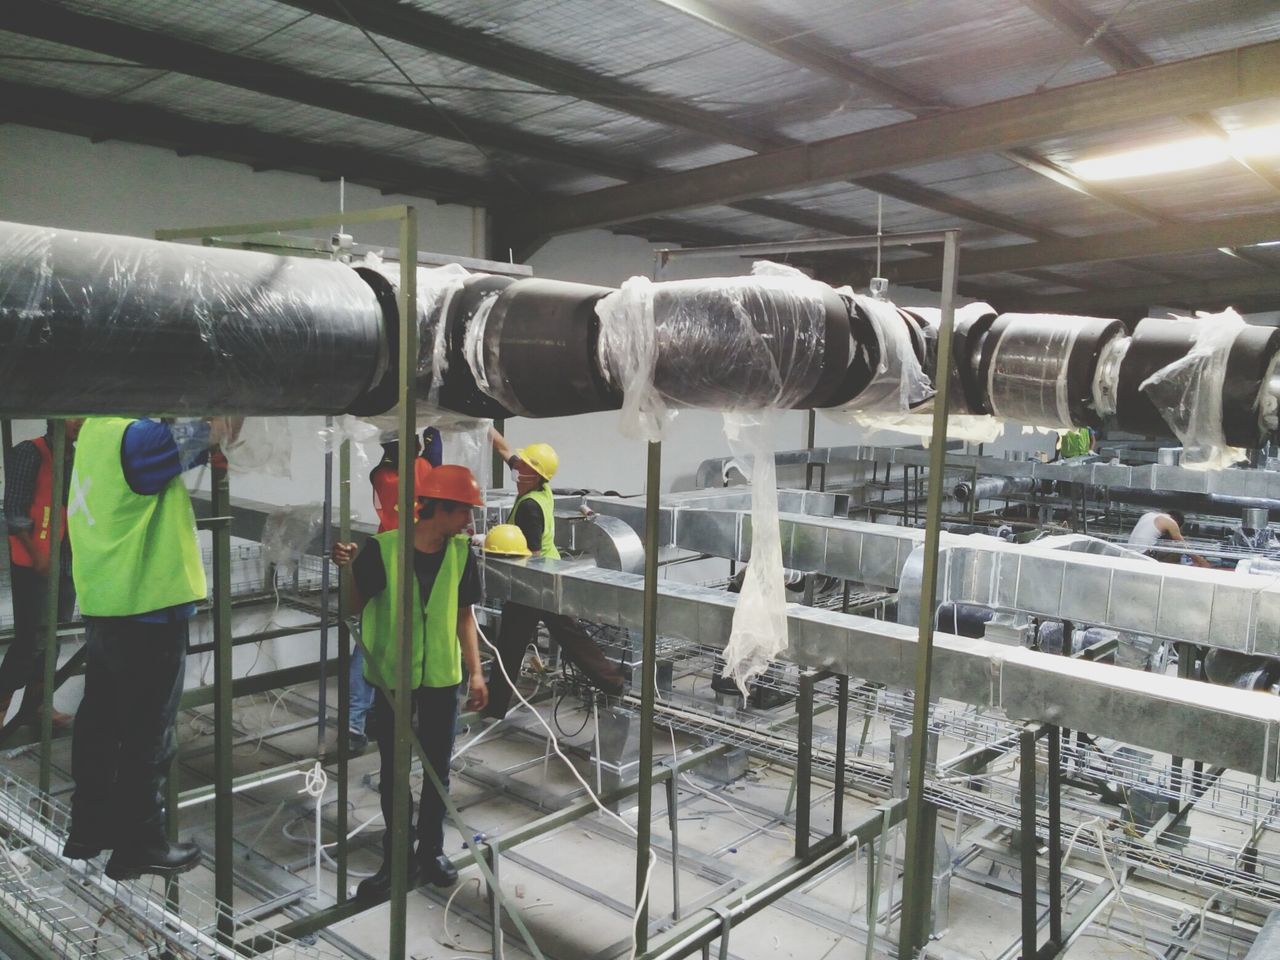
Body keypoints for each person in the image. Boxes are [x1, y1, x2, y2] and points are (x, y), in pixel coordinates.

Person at [63, 415, 239, 881]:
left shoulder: (96, 436)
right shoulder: (136, 437)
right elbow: (214, 424)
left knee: (100, 722)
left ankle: (89, 827)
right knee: (149, 733)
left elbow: (185, 447)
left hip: (107, 602)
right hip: (149, 606)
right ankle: (139, 845)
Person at [331, 464, 488, 899]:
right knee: (395, 771)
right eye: (465, 513)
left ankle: (432, 851)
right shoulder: (383, 549)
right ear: (439, 508)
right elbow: (354, 604)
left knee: (438, 768)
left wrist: (475, 672)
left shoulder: (461, 554)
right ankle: (396, 857)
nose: (470, 523)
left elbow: (463, 615)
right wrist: (348, 568)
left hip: (441, 677)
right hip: (392, 678)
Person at [484, 429, 624, 718]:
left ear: (534, 474)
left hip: (534, 581)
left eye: (523, 465)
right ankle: (613, 684)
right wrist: (484, 426)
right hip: (548, 575)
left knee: (510, 645)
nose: (517, 466)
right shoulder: (536, 488)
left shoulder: (530, 507)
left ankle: (495, 707)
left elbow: (530, 551)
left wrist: (490, 544)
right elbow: (504, 449)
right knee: (570, 635)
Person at [347, 432, 435, 751]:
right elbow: (432, 454)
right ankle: (367, 719)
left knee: (372, 636)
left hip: (383, 555)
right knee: (390, 639)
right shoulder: (420, 468)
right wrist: (433, 431)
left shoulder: (381, 474)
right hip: (404, 561)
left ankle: (359, 720)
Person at [1, 420, 82, 728]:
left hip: (66, 562)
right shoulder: (30, 452)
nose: (81, 423)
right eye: (74, 417)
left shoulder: (77, 457)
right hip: (34, 564)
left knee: (54, 639)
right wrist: (37, 556)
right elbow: (14, 511)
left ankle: (38, 706)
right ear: (54, 419)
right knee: (30, 641)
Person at [1127, 509, 1209, 567]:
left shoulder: (1149, 515)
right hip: (1142, 556)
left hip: (1129, 553)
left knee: (1167, 544)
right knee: (1178, 548)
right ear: (1177, 522)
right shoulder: (1171, 522)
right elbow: (1183, 545)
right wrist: (1200, 560)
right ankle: (1164, 571)